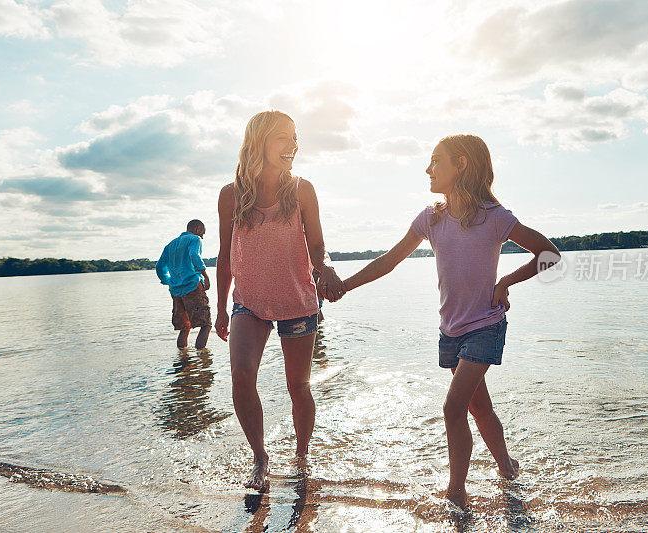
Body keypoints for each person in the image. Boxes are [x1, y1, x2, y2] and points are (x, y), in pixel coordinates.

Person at [332, 134, 561, 510]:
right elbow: (388, 261)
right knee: (478, 407)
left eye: (436, 160)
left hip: (486, 324)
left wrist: (506, 281)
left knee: (453, 406)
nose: (428, 168)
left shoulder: (495, 218)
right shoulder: (431, 218)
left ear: (462, 164)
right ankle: (507, 468)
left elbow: (549, 254)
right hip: (450, 330)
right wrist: (345, 285)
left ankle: (457, 493)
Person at [214, 110, 344, 491]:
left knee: (297, 387)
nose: (292, 146)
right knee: (240, 379)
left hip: (298, 300)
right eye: (282, 138)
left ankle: (302, 457)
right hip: (248, 302)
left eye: (294, 137)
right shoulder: (231, 195)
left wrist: (326, 270)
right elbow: (225, 256)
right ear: (259, 142)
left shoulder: (302, 189)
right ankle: (260, 458)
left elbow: (318, 246)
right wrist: (221, 307)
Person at [156, 219, 212, 349]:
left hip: (176, 291)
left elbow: (159, 266)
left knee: (185, 328)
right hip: (192, 286)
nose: (202, 237)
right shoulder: (194, 239)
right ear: (197, 229)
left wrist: (167, 280)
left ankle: (184, 361)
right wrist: (205, 275)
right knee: (206, 325)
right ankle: (202, 361)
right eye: (202, 234)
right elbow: (194, 255)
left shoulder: (170, 245)